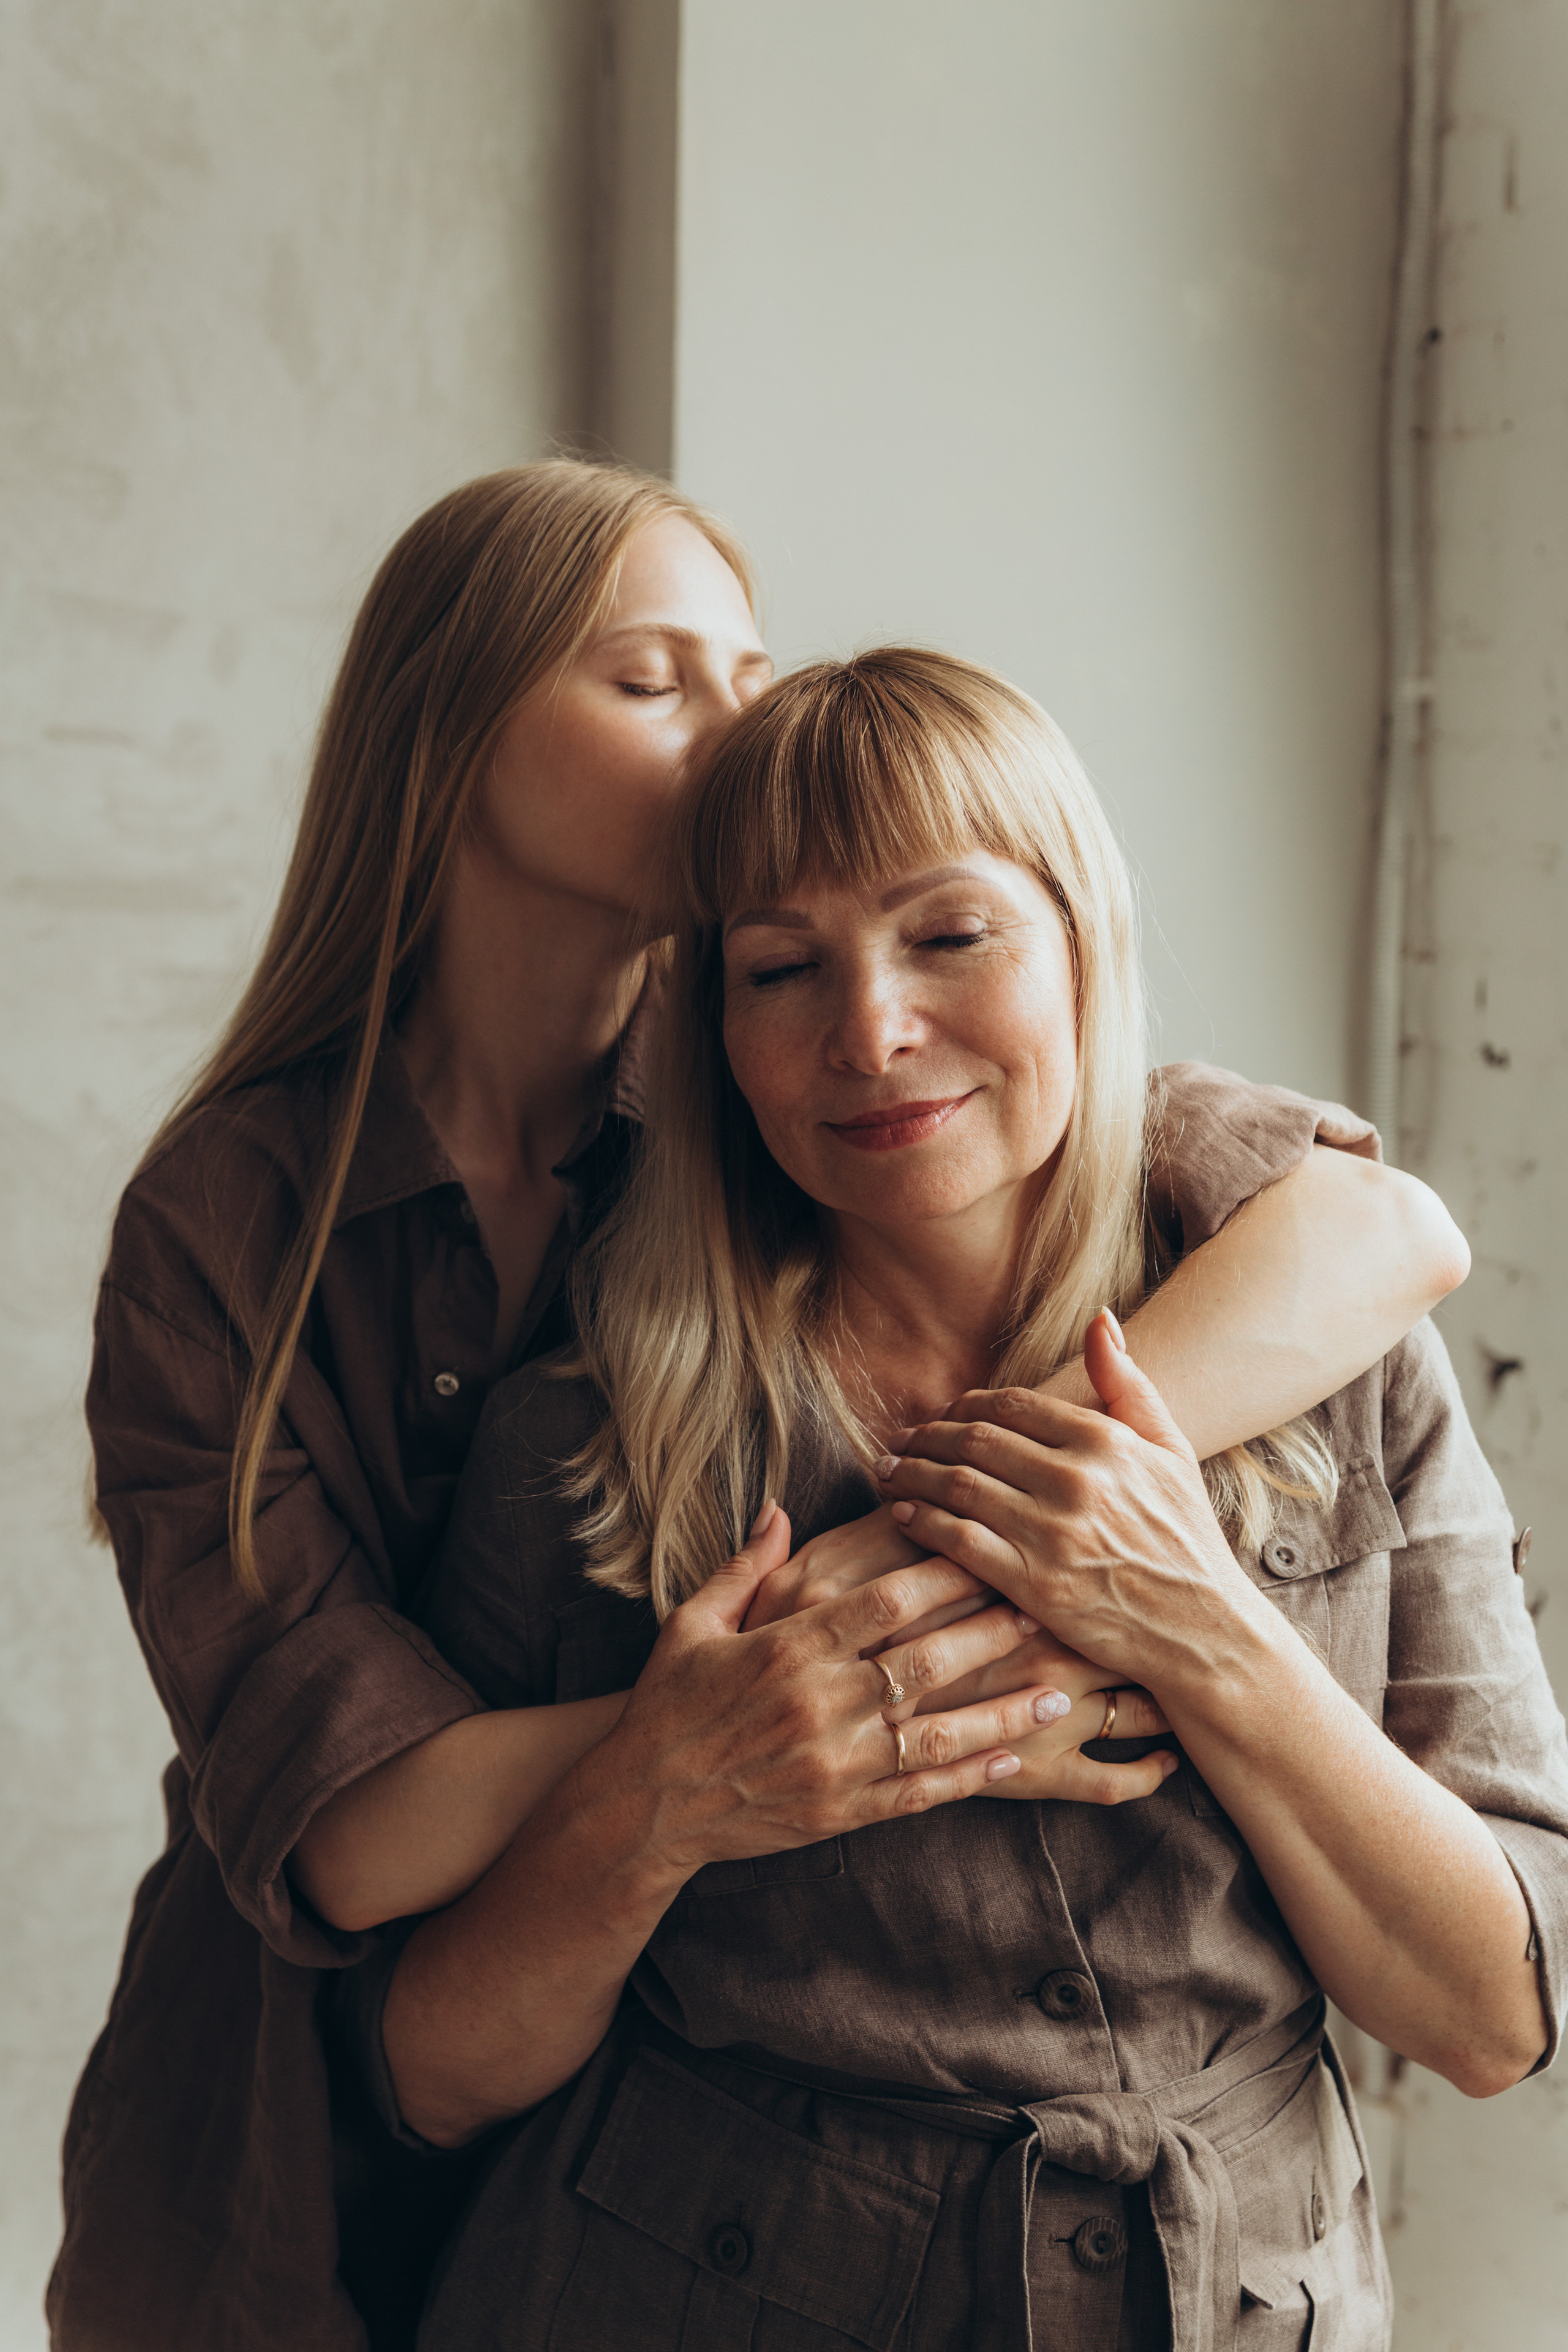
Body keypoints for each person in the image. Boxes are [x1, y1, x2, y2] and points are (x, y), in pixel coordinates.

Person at [52, 466, 1464, 2352]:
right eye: (656, 681)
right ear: (450, 740)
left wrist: (1000, 1529)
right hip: (288, 2101)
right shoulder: (228, 1220)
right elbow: (353, 1836)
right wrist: (778, 1700)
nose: (740, 729)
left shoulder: (811, 1078)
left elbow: (1377, 1227)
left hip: (673, 2138)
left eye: (751, 668)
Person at [360, 648, 1568, 2352]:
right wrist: (665, 1798)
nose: (870, 1033)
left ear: (1083, 943)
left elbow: (1494, 2018)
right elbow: (433, 2074)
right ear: (717, 1033)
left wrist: (1202, 1629)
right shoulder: (584, 1438)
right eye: (783, 969)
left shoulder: (1342, 1360)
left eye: (950, 935)